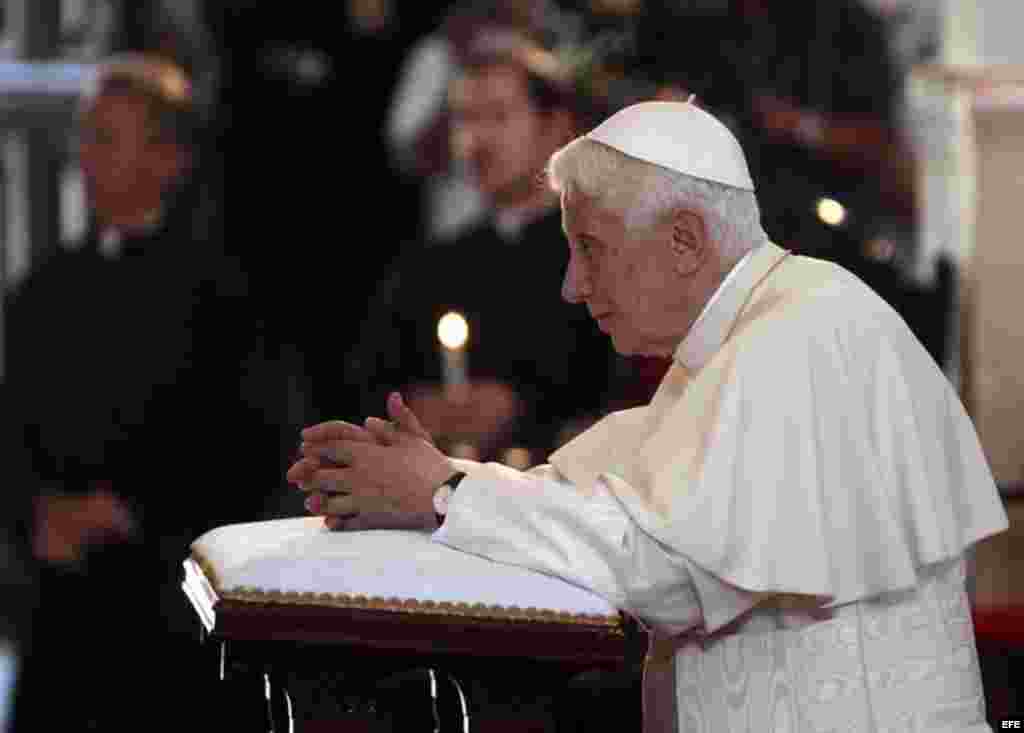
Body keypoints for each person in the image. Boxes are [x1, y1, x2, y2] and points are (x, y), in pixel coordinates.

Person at [289, 100, 1008, 732]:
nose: (572, 286)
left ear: (686, 238)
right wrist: (434, 480)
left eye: (590, 249)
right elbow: (605, 504)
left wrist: (445, 493)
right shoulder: (734, 344)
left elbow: (668, 563)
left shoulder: (802, 333)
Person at [2, 55, 286, 731]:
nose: (88, 155)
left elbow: (246, 441)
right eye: (87, 136)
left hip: (168, 613)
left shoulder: (223, 295)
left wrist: (132, 510)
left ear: (169, 158)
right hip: (60, 608)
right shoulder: (42, 291)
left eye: (109, 136)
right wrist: (36, 511)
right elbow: (9, 424)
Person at [342, 15, 630, 466]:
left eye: (498, 116)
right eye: (465, 120)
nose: (476, 140)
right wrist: (417, 408)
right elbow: (368, 381)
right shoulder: (435, 262)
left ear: (556, 126)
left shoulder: (604, 253)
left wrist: (521, 411)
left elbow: (618, 394)